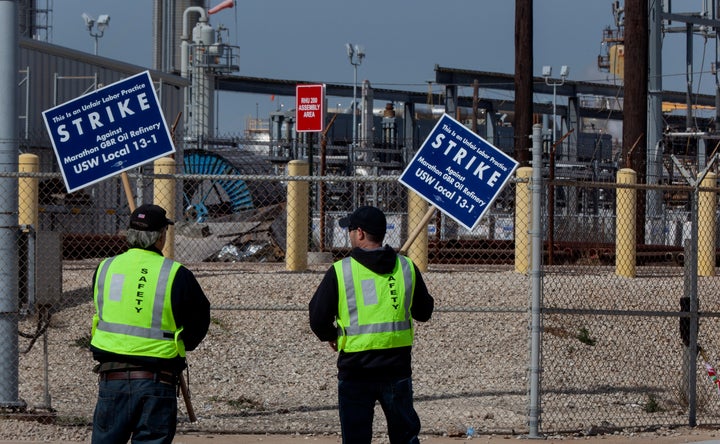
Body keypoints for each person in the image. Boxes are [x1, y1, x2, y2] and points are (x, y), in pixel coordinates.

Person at [309, 206, 434, 444]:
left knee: (356, 438)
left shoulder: (341, 270)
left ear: (361, 233)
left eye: (351, 229)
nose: (350, 234)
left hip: (356, 369)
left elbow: (317, 318)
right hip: (396, 367)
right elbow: (424, 312)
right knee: (405, 437)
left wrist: (331, 336)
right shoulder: (406, 268)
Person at [90, 204, 211, 444]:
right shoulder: (176, 273)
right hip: (157, 380)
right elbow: (199, 319)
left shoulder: (105, 268)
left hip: (112, 378)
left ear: (130, 233)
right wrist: (182, 344)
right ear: (161, 236)